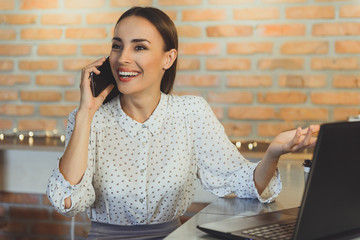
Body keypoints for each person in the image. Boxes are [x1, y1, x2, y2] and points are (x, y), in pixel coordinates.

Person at [46, 6, 319, 240]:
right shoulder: (87, 119)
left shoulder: (191, 112)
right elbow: (67, 201)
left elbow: (243, 183)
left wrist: (273, 152)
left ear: (169, 57)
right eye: (117, 46)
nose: (123, 58)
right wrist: (86, 112)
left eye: (139, 46)